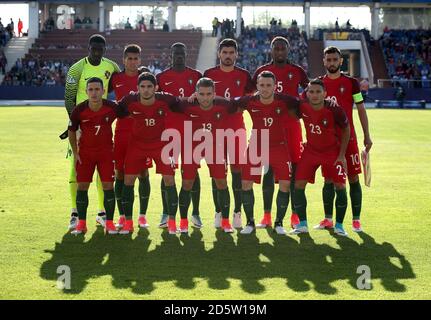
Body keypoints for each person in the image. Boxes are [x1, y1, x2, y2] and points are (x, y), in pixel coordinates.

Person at [229, 71, 298, 235]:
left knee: (285, 184)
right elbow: (229, 104)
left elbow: (304, 105)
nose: (265, 89)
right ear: (257, 86)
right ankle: (250, 222)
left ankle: (279, 222)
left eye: (268, 85)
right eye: (262, 85)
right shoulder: (249, 101)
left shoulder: (285, 101)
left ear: (275, 86)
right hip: (256, 146)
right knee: (245, 183)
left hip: (279, 146)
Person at [64, 34, 120, 231]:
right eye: (93, 48)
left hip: (102, 124)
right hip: (81, 125)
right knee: (77, 166)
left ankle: (102, 212)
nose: (96, 52)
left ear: (104, 49)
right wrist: (74, 123)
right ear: (88, 48)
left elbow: (118, 85)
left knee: (103, 170)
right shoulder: (77, 68)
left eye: (100, 49)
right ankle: (74, 212)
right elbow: (69, 97)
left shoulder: (112, 66)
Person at [252, 36, 309, 231]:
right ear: (271, 50)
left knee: (292, 170)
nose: (279, 52)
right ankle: (267, 215)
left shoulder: (297, 71)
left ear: (288, 50)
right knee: (267, 171)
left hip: (291, 127)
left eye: (282, 49)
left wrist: (299, 106)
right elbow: (252, 95)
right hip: (268, 128)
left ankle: (293, 215)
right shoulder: (262, 72)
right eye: (276, 49)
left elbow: (309, 93)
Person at [316, 46, 372, 232]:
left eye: (335, 59)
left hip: (349, 139)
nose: (331, 63)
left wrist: (367, 135)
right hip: (327, 141)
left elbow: (361, 109)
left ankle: (356, 220)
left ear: (341, 61)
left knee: (353, 177)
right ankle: (328, 219)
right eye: (328, 60)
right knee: (328, 179)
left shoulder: (351, 83)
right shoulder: (318, 85)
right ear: (324, 62)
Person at [116, 72, 179, 235]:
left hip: (160, 144)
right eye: (142, 87)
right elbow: (116, 111)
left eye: (149, 87)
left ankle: (172, 222)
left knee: (169, 179)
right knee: (128, 180)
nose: (146, 90)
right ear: (137, 88)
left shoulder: (165, 99)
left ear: (156, 88)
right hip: (136, 144)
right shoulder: (130, 101)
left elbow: (183, 105)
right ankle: (128, 222)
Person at [170, 78, 235, 234]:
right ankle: (184, 222)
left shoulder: (224, 104)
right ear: (196, 93)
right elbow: (169, 102)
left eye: (208, 94)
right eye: (201, 94)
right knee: (187, 184)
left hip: (215, 147)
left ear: (214, 94)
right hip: (191, 147)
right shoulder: (186, 104)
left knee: (221, 183)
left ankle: (225, 222)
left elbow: (241, 103)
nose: (205, 98)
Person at [204, 38, 255, 229]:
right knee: (216, 174)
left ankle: (237, 212)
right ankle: (219, 211)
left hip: (236, 130)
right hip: (213, 131)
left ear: (236, 54)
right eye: (224, 53)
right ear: (219, 54)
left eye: (231, 53)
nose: (227, 56)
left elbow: (250, 96)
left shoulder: (243, 75)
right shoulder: (209, 74)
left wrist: (240, 105)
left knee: (237, 172)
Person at [290, 78, 351, 236]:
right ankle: (302, 224)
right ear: (307, 93)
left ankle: (339, 225)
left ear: (325, 94)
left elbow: (346, 129)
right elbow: (289, 113)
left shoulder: (334, 109)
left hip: (332, 152)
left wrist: (342, 155)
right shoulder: (301, 106)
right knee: (298, 185)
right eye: (311, 91)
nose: (315, 95)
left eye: (318, 92)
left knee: (340, 186)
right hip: (310, 151)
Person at [156, 42, 202, 228]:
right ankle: (166, 213)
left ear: (186, 54)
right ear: (171, 55)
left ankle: (196, 213)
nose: (179, 56)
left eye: (182, 53)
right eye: (176, 54)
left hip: (192, 131)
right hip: (169, 131)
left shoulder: (197, 76)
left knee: (192, 171)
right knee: (167, 172)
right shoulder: (161, 77)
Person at [109, 44, 152, 230]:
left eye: (136, 59)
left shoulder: (145, 78)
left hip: (142, 134)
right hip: (121, 133)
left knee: (142, 173)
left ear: (140, 60)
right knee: (120, 173)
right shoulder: (116, 78)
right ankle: (122, 216)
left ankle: (142, 216)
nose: (133, 62)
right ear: (123, 60)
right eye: (129, 58)